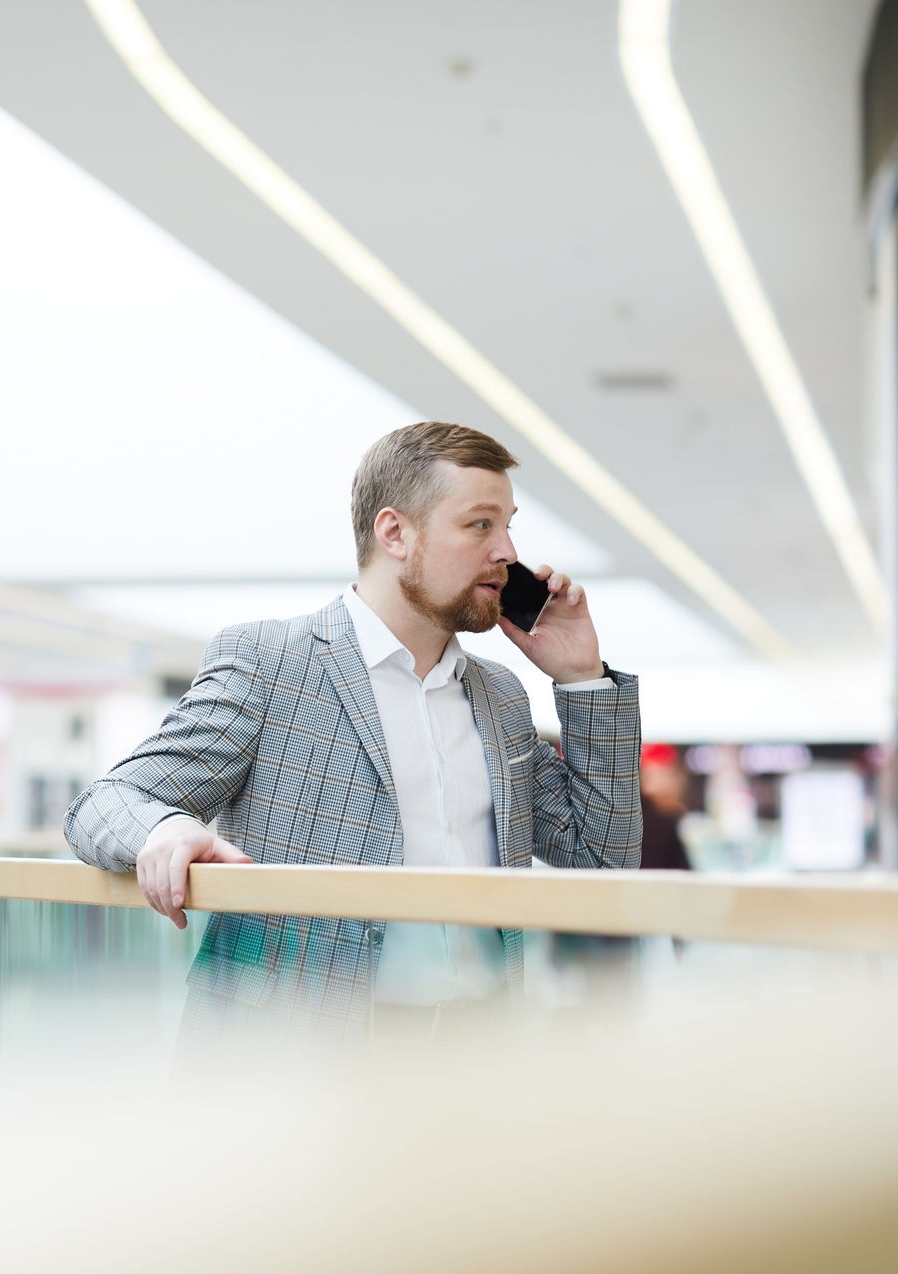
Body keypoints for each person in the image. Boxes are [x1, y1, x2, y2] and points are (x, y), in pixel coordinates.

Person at [65, 422, 642, 1050]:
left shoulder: (498, 695)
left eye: (508, 526)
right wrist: (164, 828)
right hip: (302, 1060)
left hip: (476, 1058)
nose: (507, 551)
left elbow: (601, 857)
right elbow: (104, 803)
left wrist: (583, 681)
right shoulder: (271, 661)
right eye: (480, 525)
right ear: (395, 532)